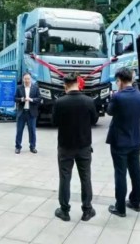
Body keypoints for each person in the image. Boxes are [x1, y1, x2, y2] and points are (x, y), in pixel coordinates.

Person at [52, 73, 98, 222]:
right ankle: (87, 210)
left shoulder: (60, 102)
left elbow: (54, 122)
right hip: (84, 146)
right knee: (86, 178)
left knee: (65, 178)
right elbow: (94, 119)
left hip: (65, 146)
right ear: (78, 83)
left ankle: (64, 211)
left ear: (65, 85)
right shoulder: (88, 101)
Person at [106, 67, 140, 218]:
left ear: (120, 81)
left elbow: (109, 111)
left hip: (119, 141)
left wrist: (114, 95)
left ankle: (120, 208)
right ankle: (135, 202)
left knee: (120, 174)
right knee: (136, 171)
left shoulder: (118, 97)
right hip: (136, 140)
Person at [14, 72, 41, 154]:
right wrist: (22, 99)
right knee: (19, 131)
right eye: (25, 79)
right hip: (22, 112)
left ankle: (32, 147)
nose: (27, 80)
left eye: (28, 79)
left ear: (31, 79)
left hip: (31, 113)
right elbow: (15, 98)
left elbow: (39, 99)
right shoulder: (19, 88)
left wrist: (31, 99)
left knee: (32, 131)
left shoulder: (35, 88)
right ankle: (18, 147)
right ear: (23, 79)